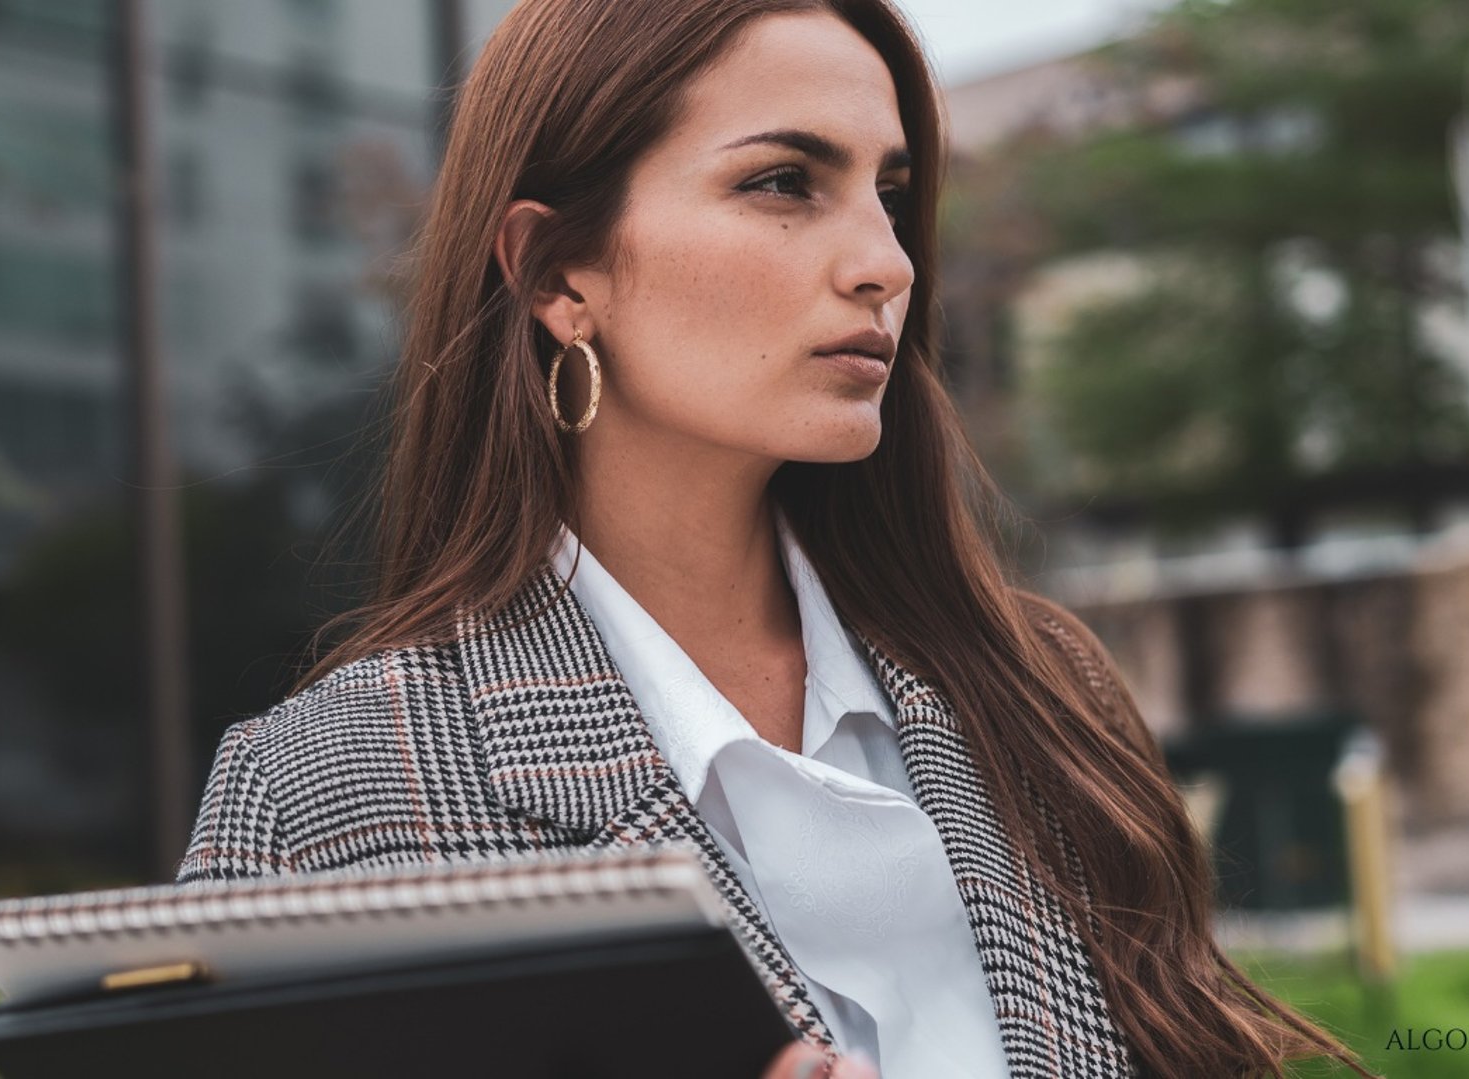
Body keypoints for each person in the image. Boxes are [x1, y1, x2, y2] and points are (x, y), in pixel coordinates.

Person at [176, 2, 1377, 1077]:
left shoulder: (1040, 694)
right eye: (783, 183)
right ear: (557, 272)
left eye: (891, 196)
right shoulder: (330, 790)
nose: (886, 264)